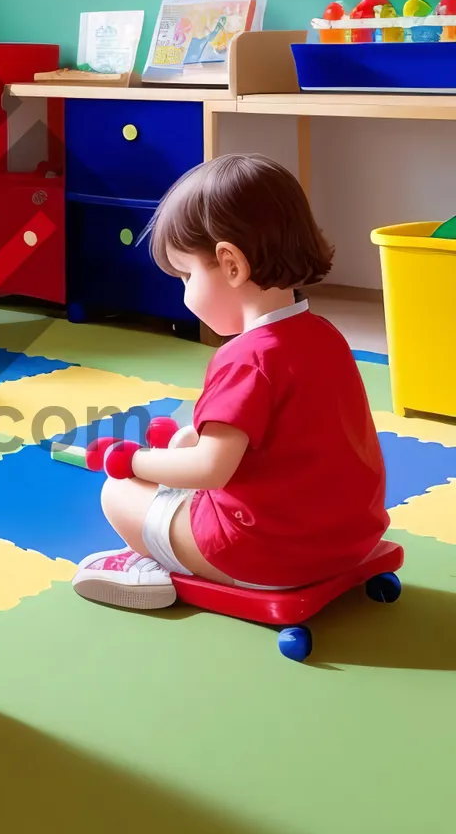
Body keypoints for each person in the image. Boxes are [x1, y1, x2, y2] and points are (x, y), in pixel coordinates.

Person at [72, 154, 389, 609]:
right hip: (350, 537)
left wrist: (133, 461)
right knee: (179, 470)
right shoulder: (325, 336)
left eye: (185, 275)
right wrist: (190, 442)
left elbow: (209, 470)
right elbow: (291, 441)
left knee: (118, 493)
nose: (184, 292)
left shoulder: (244, 358)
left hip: (269, 558)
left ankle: (151, 562)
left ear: (231, 264)